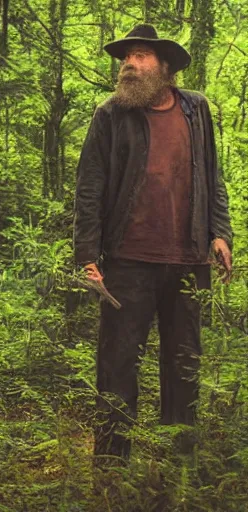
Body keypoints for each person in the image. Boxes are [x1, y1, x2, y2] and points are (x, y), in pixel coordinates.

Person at [73, 24, 234, 463]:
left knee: (184, 367)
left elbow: (212, 177)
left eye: (141, 56)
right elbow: (89, 187)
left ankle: (176, 466)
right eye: (127, 57)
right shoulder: (110, 115)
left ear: (165, 67)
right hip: (127, 264)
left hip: (188, 261)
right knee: (117, 366)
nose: (129, 64)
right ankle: (110, 467)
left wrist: (220, 232)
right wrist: (87, 255)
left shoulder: (195, 109)